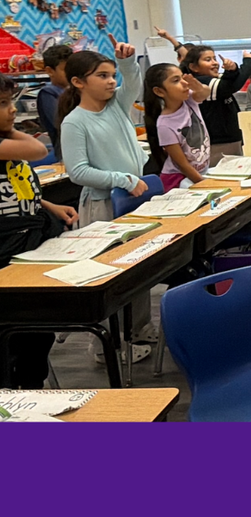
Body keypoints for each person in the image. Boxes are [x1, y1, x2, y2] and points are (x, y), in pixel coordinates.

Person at [58, 38, 156, 363]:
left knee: (137, 268)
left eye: (113, 75)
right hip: (102, 206)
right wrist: (122, 178)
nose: (112, 81)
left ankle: (139, 330)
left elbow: (134, 84)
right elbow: (78, 172)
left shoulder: (115, 105)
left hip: (132, 200)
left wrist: (125, 61)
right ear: (78, 82)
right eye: (102, 75)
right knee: (109, 277)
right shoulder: (75, 122)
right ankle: (105, 347)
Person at [0, 74, 78, 387]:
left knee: (37, 326)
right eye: (3, 105)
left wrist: (47, 205)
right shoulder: (11, 143)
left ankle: (30, 384)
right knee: (16, 332)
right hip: (5, 250)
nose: (12, 110)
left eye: (11, 102)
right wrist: (10, 129)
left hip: (26, 243)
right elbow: (36, 149)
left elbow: (16, 188)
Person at [182, 45, 251, 166]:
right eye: (208, 60)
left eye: (214, 58)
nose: (215, 63)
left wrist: (233, 69)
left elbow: (232, 80)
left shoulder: (213, 78)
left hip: (231, 137)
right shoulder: (201, 82)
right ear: (194, 67)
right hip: (217, 141)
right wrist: (248, 63)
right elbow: (229, 87)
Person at [144, 63, 211, 192]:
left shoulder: (189, 100)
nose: (184, 83)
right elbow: (183, 165)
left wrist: (198, 86)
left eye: (182, 78)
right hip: (178, 180)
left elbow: (205, 92)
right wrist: (205, 185)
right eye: (176, 80)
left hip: (199, 174)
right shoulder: (164, 124)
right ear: (159, 91)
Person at [37, 44, 73, 160]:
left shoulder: (77, 91)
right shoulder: (48, 93)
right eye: (65, 70)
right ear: (49, 71)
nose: (70, 74)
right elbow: (61, 123)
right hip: (67, 153)